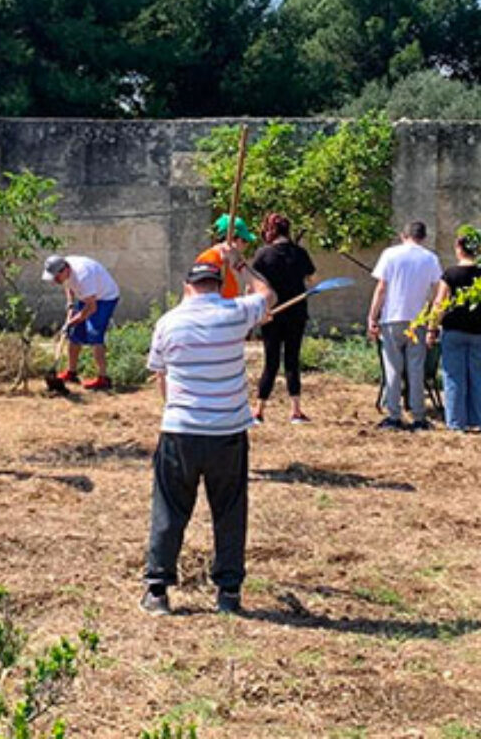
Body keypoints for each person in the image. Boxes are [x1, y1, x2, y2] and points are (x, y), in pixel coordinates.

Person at [141, 254, 276, 616]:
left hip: (180, 431)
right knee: (229, 510)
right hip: (227, 432)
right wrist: (241, 265)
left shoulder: (168, 322)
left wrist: (176, 408)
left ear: (187, 288)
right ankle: (228, 593)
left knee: (169, 508)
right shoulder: (235, 314)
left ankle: (157, 590)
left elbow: (161, 374)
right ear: (219, 285)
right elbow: (268, 296)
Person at [367, 221, 442, 431]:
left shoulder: (390, 254)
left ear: (403, 235)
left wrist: (372, 316)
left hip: (392, 317)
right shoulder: (430, 258)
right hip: (417, 319)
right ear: (423, 237)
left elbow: (381, 287)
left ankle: (394, 415)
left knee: (393, 368)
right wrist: (432, 319)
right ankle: (419, 416)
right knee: (416, 368)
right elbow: (437, 290)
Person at [250, 213, 316, 424]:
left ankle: (259, 411)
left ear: (271, 231)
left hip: (271, 314)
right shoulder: (300, 253)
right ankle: (296, 411)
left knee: (270, 362)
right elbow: (314, 280)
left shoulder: (262, 255)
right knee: (292, 360)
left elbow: (252, 285)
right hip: (296, 314)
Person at [426, 227, 481, 432]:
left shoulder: (451, 274)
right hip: (480, 330)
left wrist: (432, 328)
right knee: (480, 377)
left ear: (459, 248)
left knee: (454, 377)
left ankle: (456, 423)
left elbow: (440, 302)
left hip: (454, 330)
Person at [43, 253, 121, 390]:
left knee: (94, 334)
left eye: (56, 277)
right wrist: (70, 304)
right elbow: (68, 284)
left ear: (64, 270)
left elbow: (92, 307)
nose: (55, 281)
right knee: (74, 335)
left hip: (104, 298)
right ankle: (71, 373)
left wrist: (71, 322)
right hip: (88, 296)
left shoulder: (83, 276)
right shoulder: (65, 268)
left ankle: (103, 379)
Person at [194, 215, 257, 299]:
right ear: (232, 240)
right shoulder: (208, 260)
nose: (246, 245)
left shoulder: (230, 263)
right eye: (244, 240)